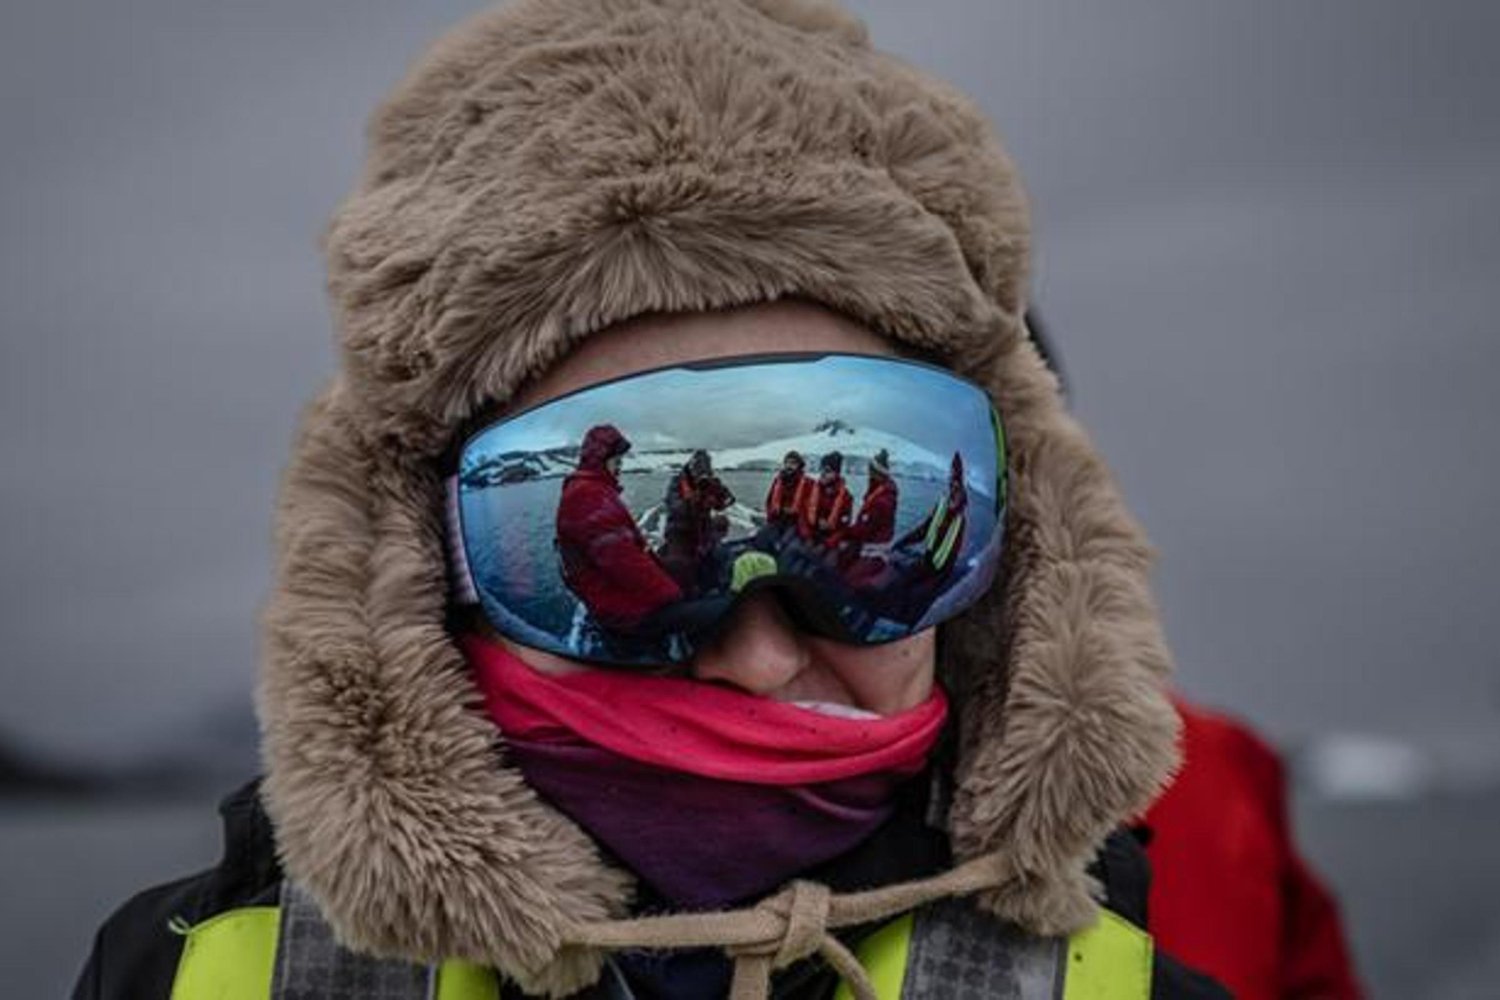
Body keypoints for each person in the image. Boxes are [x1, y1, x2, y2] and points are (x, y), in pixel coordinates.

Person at [73, 3, 1230, 998]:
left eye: (877, 574)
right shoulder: (186, 975)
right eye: (589, 597)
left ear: (1014, 554)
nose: (760, 657)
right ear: (421, 565)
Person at [555, 424, 684, 631]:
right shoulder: (588, 497)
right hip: (625, 614)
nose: (620, 467)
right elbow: (624, 563)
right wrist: (673, 595)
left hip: (618, 599)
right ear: (602, 460)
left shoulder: (590, 490)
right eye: (617, 461)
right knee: (717, 613)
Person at [657, 449, 735, 596]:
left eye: (705, 472)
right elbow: (674, 507)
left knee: (719, 555)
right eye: (698, 471)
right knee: (680, 565)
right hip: (680, 530)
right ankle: (684, 594)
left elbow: (728, 501)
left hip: (702, 527)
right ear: (691, 468)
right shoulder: (677, 482)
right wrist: (694, 500)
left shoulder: (712, 482)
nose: (701, 477)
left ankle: (716, 587)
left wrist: (718, 495)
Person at [798, 452, 853, 549]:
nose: (823, 473)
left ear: (836, 473)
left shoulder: (846, 498)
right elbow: (803, 514)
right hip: (810, 534)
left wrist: (828, 543)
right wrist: (807, 535)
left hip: (830, 540)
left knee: (823, 560)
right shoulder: (812, 489)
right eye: (821, 469)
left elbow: (844, 528)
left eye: (827, 471)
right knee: (793, 553)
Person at [763, 451, 814, 542]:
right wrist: (771, 516)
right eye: (787, 462)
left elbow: (811, 505)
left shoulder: (808, 483)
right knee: (763, 536)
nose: (789, 466)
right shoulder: (778, 481)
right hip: (778, 518)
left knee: (783, 542)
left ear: (799, 465)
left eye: (793, 463)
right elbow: (769, 501)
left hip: (796, 522)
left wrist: (795, 510)